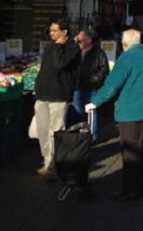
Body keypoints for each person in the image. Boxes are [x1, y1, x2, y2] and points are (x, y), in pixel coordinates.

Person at [85, 29, 143, 201]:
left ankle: (131, 190)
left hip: (131, 111)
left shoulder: (126, 58)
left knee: (131, 152)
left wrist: (95, 102)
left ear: (124, 44)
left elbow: (112, 85)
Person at [33, 19, 81, 177]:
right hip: (43, 94)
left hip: (59, 95)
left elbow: (60, 63)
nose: (51, 33)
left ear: (64, 32)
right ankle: (48, 161)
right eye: (50, 30)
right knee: (42, 130)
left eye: (54, 30)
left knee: (56, 131)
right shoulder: (50, 46)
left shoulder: (72, 48)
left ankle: (54, 166)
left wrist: (60, 45)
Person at [70, 28, 109, 142]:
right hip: (77, 87)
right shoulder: (74, 51)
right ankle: (76, 136)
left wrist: (92, 80)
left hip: (91, 88)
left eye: (80, 40)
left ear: (89, 40)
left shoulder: (99, 53)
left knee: (91, 113)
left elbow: (104, 71)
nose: (78, 42)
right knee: (76, 111)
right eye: (77, 40)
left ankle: (92, 137)